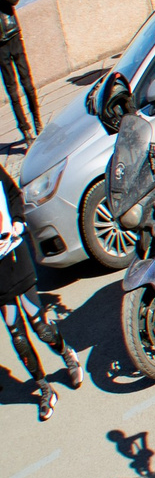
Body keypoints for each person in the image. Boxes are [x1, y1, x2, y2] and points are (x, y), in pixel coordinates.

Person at [0, 164, 75, 419]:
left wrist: (18, 221)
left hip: (14, 255)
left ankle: (67, 354)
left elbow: (12, 192)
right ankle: (45, 389)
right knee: (17, 337)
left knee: (40, 327)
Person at [0, 0, 37, 146]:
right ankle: (25, 129)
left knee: (28, 84)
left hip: (14, 36)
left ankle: (37, 120)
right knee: (12, 92)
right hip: (0, 46)